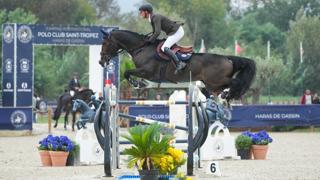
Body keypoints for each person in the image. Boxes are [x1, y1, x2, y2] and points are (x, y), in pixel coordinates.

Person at [139, 3, 186, 74]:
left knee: (164, 47)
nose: (140, 13)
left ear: (146, 12)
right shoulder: (152, 18)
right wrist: (147, 38)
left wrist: (149, 41)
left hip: (177, 31)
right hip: (174, 32)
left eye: (141, 11)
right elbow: (154, 32)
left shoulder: (155, 18)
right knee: (164, 46)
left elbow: (157, 32)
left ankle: (179, 63)